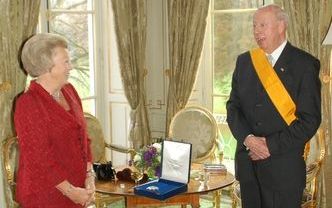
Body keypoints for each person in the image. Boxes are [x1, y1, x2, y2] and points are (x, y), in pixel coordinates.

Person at [226, 4, 321, 208]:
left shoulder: (305, 64)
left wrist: (269, 145)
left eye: (262, 25)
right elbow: (233, 108)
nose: (257, 31)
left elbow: (310, 120)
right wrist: (249, 139)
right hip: (248, 166)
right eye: (254, 26)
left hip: (283, 171)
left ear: (281, 26)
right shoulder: (244, 62)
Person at [14, 33, 95, 207]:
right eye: (66, 62)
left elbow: (84, 138)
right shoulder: (28, 104)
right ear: (47, 67)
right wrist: (71, 192)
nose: (71, 67)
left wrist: (89, 176)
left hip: (77, 190)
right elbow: (39, 159)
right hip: (45, 196)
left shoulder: (70, 91)